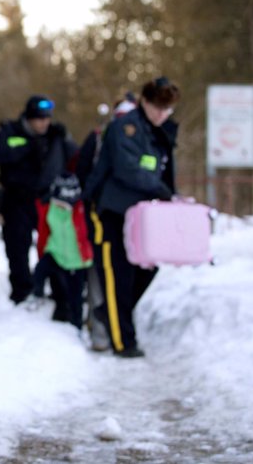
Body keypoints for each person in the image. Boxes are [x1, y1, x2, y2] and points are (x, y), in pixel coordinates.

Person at [83, 76, 180, 358]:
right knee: (118, 276)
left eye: (167, 110)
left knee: (147, 268)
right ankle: (123, 341)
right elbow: (128, 169)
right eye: (157, 108)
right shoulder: (125, 128)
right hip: (113, 210)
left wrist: (169, 195)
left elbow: (163, 171)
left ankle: (106, 314)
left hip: (144, 215)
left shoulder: (158, 131)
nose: (162, 115)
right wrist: (160, 189)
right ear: (144, 102)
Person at [0, 95, 79, 305]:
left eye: (47, 118)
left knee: (54, 247)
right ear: (29, 118)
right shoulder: (11, 131)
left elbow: (75, 159)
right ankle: (22, 293)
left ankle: (59, 294)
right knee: (18, 249)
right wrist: (28, 147)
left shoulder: (55, 135)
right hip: (15, 200)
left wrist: (65, 139)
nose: (44, 123)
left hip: (45, 201)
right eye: (39, 119)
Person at [76, 93, 137, 351]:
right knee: (103, 273)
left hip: (122, 216)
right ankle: (104, 333)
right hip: (102, 215)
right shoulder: (102, 137)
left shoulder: (105, 136)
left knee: (115, 275)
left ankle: (111, 330)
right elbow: (85, 173)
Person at [31, 171, 93, 331]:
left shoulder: (82, 209)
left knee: (75, 298)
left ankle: (76, 327)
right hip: (55, 253)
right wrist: (42, 251)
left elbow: (88, 234)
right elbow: (44, 231)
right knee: (39, 272)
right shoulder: (48, 207)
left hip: (76, 260)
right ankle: (36, 296)